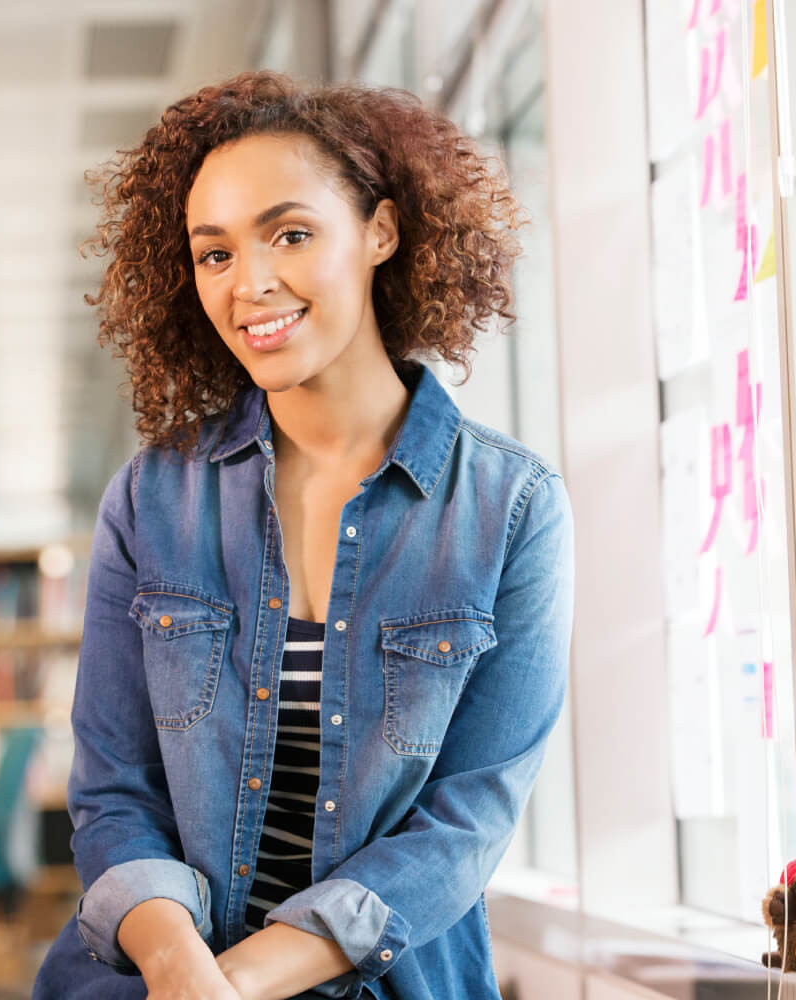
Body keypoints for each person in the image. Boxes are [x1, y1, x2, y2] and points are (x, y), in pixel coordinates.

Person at [33, 70, 574, 1000]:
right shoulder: (151, 501)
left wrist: (237, 984)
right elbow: (115, 794)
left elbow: (465, 824)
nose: (251, 284)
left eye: (290, 234)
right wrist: (179, 970)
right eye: (214, 254)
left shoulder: (510, 510)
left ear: (381, 231)